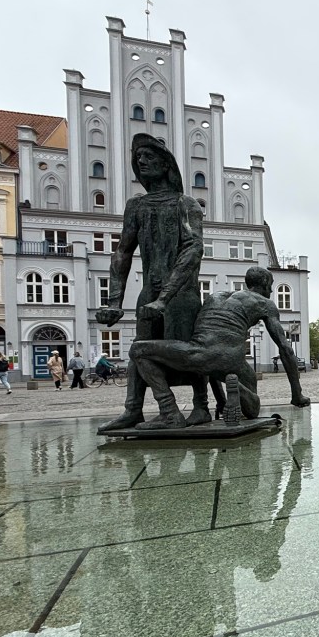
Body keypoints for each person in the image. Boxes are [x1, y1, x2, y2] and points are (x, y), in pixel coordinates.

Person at [96, 134, 207, 431]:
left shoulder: (186, 204)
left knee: (187, 352)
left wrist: (165, 297)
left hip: (181, 294)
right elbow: (123, 251)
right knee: (140, 349)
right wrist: (114, 302)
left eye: (149, 156)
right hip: (149, 292)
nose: (142, 161)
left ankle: (201, 406)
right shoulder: (136, 206)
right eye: (138, 157)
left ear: (166, 163)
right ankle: (135, 410)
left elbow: (193, 249)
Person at [130, 266, 310, 429]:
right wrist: (297, 394)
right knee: (252, 410)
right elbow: (285, 348)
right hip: (233, 360)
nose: (271, 290)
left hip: (199, 354)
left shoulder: (215, 296)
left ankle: (170, 411)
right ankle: (235, 387)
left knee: (138, 350)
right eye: (270, 285)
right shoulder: (265, 304)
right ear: (264, 283)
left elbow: (208, 353)